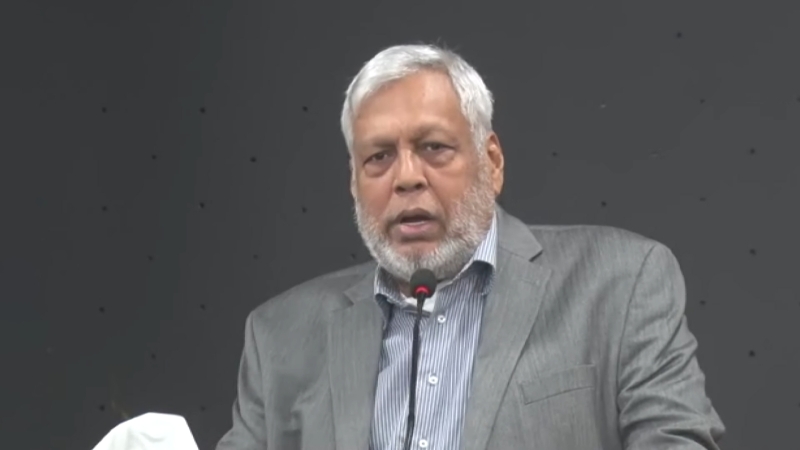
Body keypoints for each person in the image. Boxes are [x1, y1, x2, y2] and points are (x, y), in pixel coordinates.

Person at [215, 43, 726, 450]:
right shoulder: (278, 335)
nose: (406, 177)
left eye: (433, 148)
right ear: (354, 182)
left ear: (492, 162)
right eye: (378, 157)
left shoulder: (619, 282)